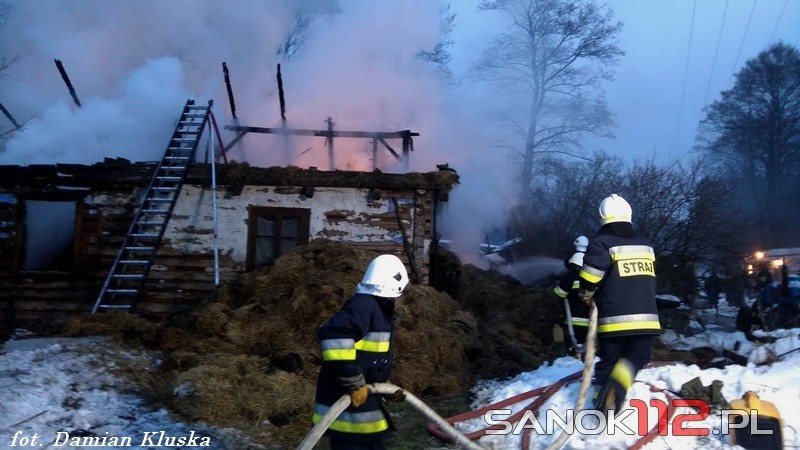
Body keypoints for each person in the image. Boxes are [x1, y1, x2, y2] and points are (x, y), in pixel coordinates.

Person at [312, 254, 409, 450]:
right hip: (347, 410)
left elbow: (369, 357)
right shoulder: (364, 306)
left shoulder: (379, 309)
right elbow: (333, 333)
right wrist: (354, 381)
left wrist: (383, 388)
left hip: (362, 409)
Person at [578, 194, 660, 414]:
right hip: (646, 317)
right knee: (638, 356)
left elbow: (591, 277)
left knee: (609, 359)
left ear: (602, 217)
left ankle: (601, 400)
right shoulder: (645, 244)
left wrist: (585, 293)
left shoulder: (602, 243)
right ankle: (616, 391)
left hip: (613, 318)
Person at [553, 251, 590, 355]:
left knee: (573, 347)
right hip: (589, 320)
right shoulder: (590, 278)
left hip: (573, 321)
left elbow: (558, 293)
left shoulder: (571, 276)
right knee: (585, 346)